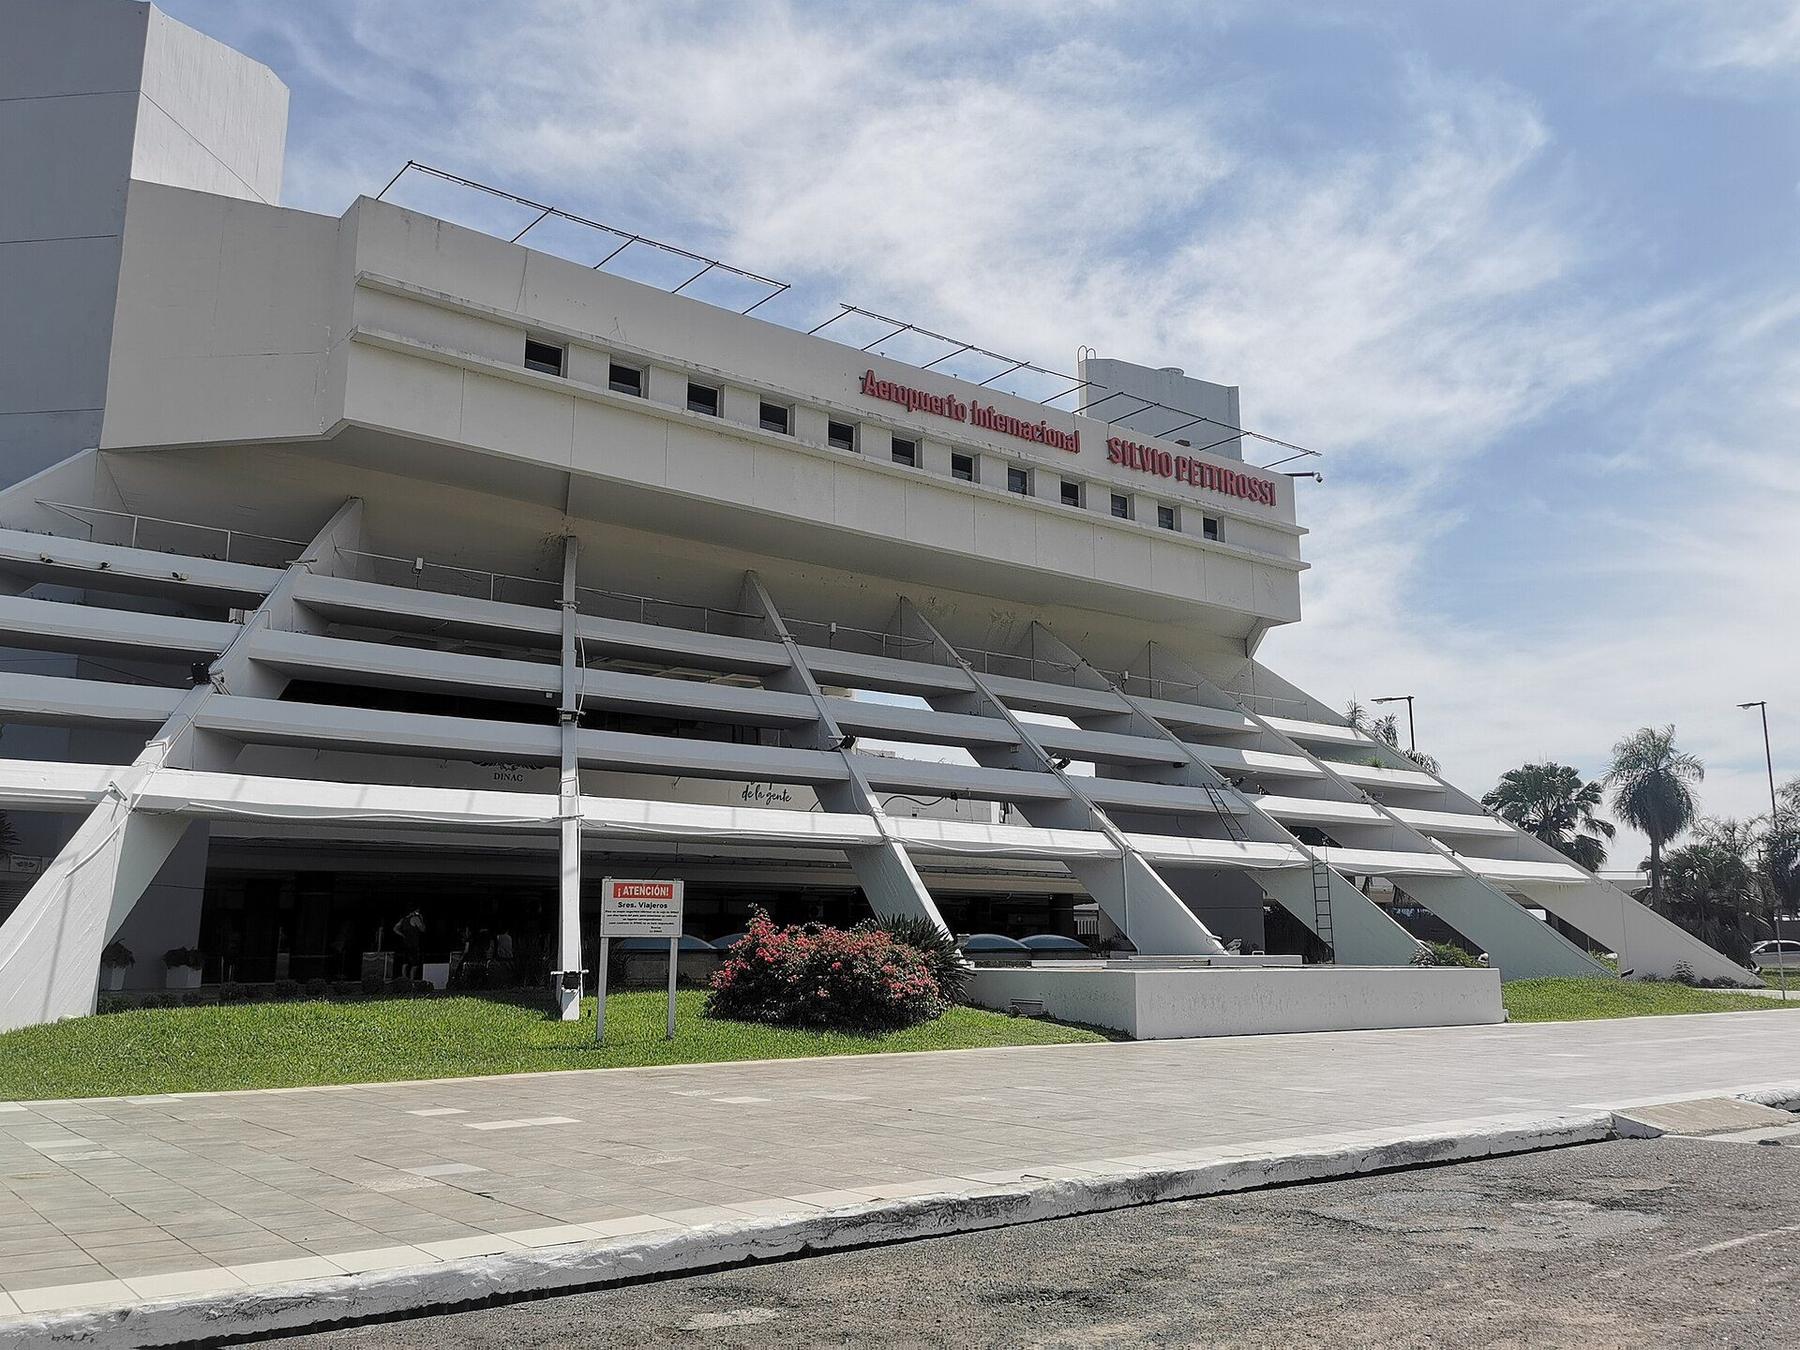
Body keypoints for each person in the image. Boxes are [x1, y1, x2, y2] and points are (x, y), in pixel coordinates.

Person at [391, 909, 426, 982]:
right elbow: (422, 929)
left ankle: (404, 980)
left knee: (405, 963)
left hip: (405, 944)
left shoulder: (403, 919)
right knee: (415, 964)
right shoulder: (415, 918)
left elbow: (395, 929)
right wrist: (421, 919)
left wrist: (402, 935)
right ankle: (411, 981)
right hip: (413, 944)